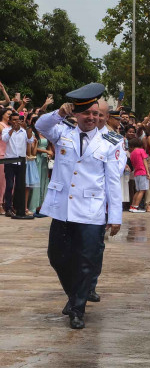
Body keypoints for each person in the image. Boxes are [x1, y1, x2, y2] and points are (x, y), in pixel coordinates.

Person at [35, 85, 123, 330]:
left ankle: (78, 308)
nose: (92, 118)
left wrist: (114, 216)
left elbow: (113, 181)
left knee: (86, 261)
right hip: (62, 207)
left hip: (91, 210)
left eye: (96, 114)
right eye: (87, 114)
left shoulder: (111, 141)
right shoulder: (62, 130)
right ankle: (74, 295)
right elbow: (40, 126)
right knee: (57, 256)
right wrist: (58, 114)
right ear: (77, 113)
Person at [2, 111, 35, 215]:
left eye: (18, 120)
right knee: (9, 185)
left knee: (20, 186)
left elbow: (30, 141)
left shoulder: (24, 131)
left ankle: (18, 207)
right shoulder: (6, 130)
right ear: (10, 121)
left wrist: (28, 129)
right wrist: (12, 129)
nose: (17, 122)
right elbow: (4, 139)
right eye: (14, 120)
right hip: (10, 161)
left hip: (21, 162)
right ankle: (7, 207)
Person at [28, 127, 52, 214]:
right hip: (37, 158)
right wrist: (45, 151)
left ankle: (43, 206)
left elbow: (49, 146)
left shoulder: (46, 132)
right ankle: (33, 206)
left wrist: (49, 153)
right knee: (37, 182)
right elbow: (32, 147)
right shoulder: (33, 134)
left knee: (44, 181)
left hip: (45, 159)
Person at [128, 138, 149, 213]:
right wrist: (148, 172)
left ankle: (132, 206)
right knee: (142, 190)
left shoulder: (132, 153)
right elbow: (145, 162)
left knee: (138, 190)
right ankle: (136, 207)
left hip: (136, 173)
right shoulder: (141, 150)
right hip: (142, 172)